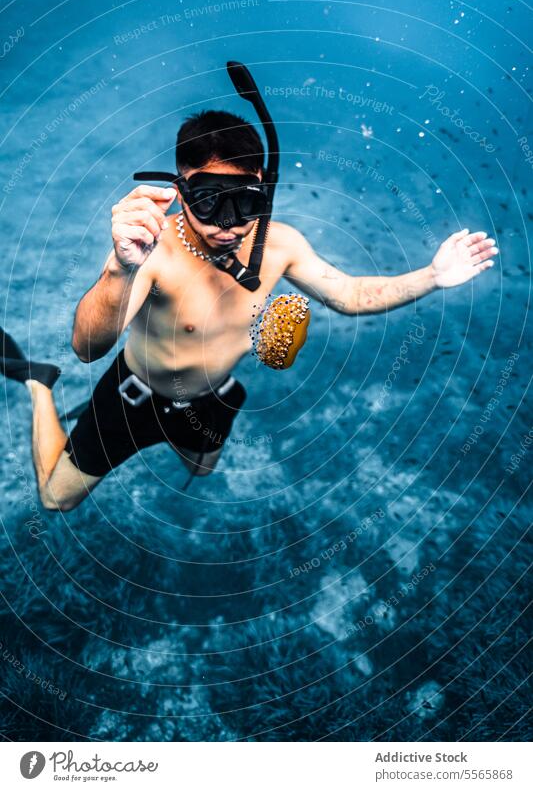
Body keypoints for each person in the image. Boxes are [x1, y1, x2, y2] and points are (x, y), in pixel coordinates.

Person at [1, 109, 498, 512]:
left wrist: (432, 276)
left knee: (202, 469)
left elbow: (349, 295)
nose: (228, 225)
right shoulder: (153, 254)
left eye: (244, 201)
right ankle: (40, 383)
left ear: (263, 185)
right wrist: (118, 268)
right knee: (55, 499)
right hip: (134, 396)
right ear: (179, 187)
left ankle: (197, 422)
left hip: (212, 396)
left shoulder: (280, 245)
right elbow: (88, 349)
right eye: (208, 201)